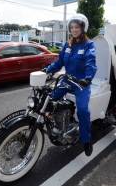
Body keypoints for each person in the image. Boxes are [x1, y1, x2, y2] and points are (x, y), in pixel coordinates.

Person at [44, 13, 97, 156]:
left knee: (83, 110)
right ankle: (55, 123)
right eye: (72, 27)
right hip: (66, 80)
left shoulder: (89, 45)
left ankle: (86, 140)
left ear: (83, 28)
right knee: (49, 98)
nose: (74, 30)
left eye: (77, 27)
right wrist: (47, 70)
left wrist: (87, 78)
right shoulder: (67, 45)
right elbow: (59, 62)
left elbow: (91, 63)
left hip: (81, 83)